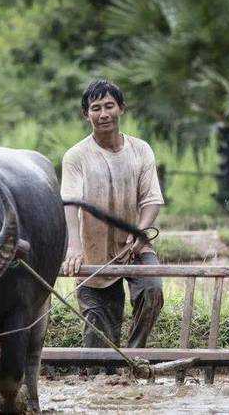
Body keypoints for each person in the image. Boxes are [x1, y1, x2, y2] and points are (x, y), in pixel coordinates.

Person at [60, 78, 165, 354]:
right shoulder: (76, 156)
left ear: (121, 109)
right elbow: (69, 203)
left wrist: (139, 232)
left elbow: (152, 200)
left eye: (109, 106)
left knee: (152, 291)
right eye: (96, 108)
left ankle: (133, 355)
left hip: (135, 245)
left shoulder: (140, 150)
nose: (103, 113)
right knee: (98, 336)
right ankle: (103, 374)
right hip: (94, 252)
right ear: (86, 115)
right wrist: (74, 247)